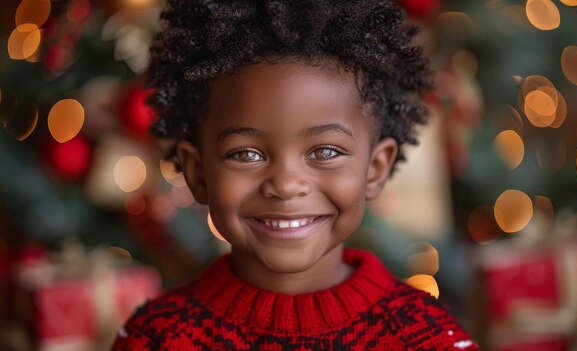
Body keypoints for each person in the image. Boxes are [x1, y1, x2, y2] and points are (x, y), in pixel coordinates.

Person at [112, 0, 478, 349]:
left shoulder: (429, 338)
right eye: (246, 154)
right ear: (198, 173)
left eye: (325, 152)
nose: (286, 185)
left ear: (375, 168)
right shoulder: (155, 337)